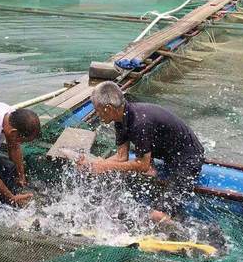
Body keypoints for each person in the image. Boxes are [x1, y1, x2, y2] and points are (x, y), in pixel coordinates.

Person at [78, 81, 205, 222]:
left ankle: (184, 236)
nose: (97, 114)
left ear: (108, 108)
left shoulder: (139, 122)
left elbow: (143, 165)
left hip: (189, 159)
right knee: (148, 174)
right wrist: (92, 164)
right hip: (168, 155)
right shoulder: (120, 119)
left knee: (157, 216)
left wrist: (104, 166)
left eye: (97, 109)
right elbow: (121, 157)